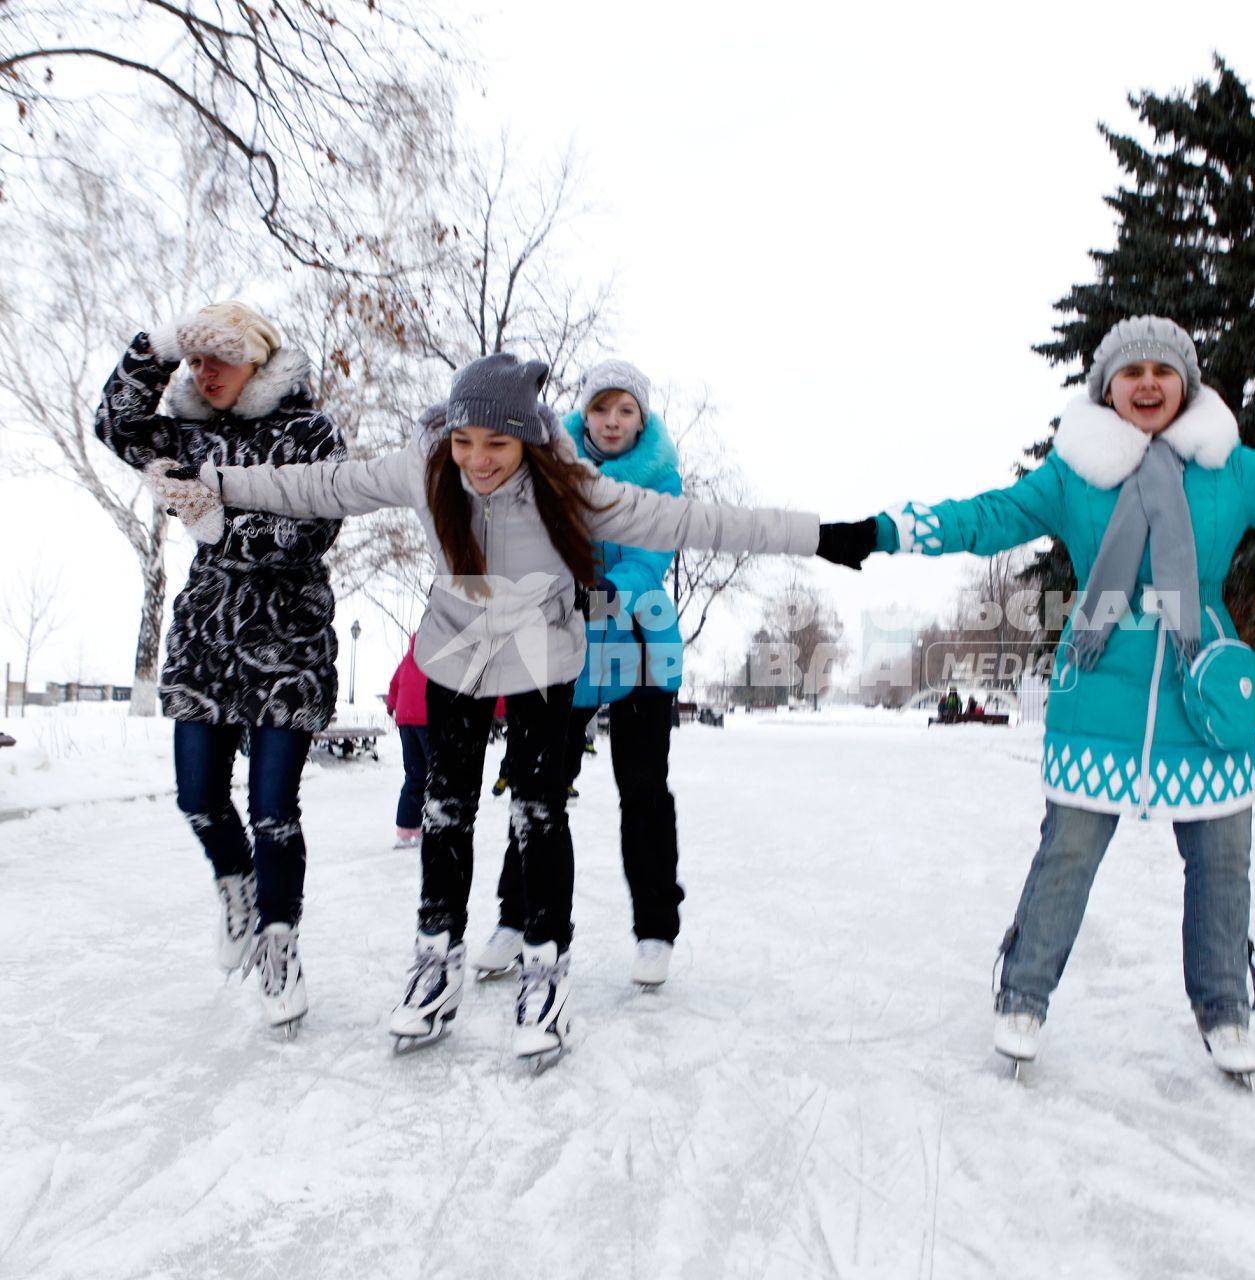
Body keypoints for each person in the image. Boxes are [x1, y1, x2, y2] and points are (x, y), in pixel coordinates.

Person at [845, 315, 1255, 1079]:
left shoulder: (1230, 470)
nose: (1150, 384)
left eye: (1165, 371)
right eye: (1133, 373)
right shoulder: (1074, 474)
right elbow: (987, 518)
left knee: (1224, 859)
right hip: (1099, 679)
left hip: (1203, 686)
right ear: (1108, 388)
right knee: (1068, 853)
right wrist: (889, 531)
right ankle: (1024, 993)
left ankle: (1225, 1007)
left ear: (1186, 385)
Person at [154, 352, 869, 1061]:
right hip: (455, 650)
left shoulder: (574, 487)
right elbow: (320, 484)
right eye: (465, 441)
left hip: (542, 656)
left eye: (496, 444)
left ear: (527, 438)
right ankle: (436, 959)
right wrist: (209, 480)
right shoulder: (428, 465)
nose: (477, 460)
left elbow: (695, 522)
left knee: (538, 808)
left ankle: (545, 968)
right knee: (445, 809)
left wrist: (821, 536)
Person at [94, 301, 345, 1031]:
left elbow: (313, 530)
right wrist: (158, 345)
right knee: (199, 797)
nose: (203, 374)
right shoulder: (187, 427)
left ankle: (279, 942)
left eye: (217, 358)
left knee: (272, 809)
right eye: (193, 359)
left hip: (286, 645)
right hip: (205, 641)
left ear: (258, 361)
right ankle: (235, 887)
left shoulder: (309, 430)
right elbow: (115, 424)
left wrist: (217, 523)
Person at [472, 360, 688, 989]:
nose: (612, 421)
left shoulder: (661, 479)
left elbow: (649, 564)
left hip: (640, 646)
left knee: (643, 791)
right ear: (584, 414)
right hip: (562, 646)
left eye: (625, 410)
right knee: (538, 787)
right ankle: (518, 919)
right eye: (601, 409)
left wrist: (590, 598)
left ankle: (654, 929)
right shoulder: (550, 465)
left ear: (641, 418)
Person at [384, 632, 429, 849]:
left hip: (405, 719)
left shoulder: (407, 659)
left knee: (414, 774)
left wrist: (391, 706)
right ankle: (430, 826)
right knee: (435, 775)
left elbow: (393, 685)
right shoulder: (439, 655)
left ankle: (406, 828)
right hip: (427, 718)